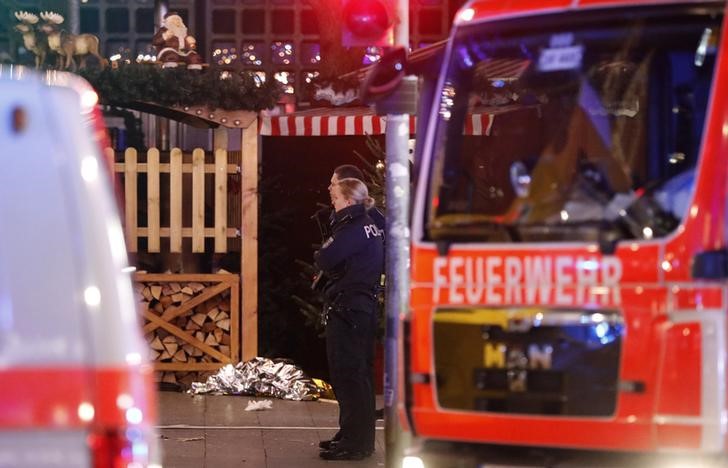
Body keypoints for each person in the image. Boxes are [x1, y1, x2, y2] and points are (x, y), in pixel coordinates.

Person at [314, 178, 384, 461]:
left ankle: (356, 443)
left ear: (349, 201)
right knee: (358, 376)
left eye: (337, 196)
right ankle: (354, 435)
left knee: (349, 375)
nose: (333, 200)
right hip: (359, 308)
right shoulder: (369, 223)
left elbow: (326, 257)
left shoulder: (352, 227)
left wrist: (322, 255)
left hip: (349, 309)